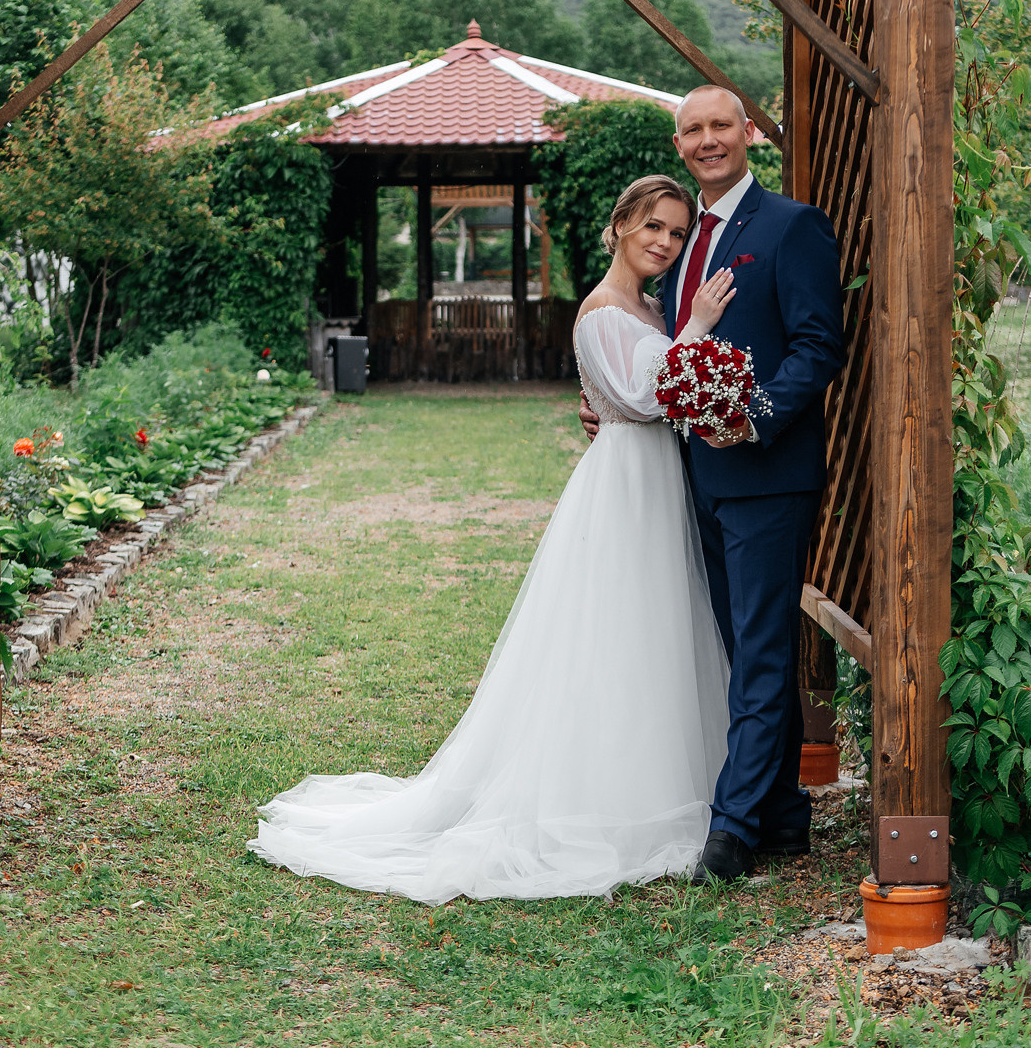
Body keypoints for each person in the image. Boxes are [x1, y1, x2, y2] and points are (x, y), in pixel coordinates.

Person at [248, 176, 741, 904]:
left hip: (652, 475)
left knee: (649, 629)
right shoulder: (606, 310)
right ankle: (602, 799)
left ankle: (655, 775)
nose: (664, 242)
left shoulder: (646, 306)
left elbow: (629, 393)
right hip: (624, 484)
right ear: (619, 228)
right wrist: (697, 329)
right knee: (613, 631)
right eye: (652, 228)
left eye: (675, 231)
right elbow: (644, 396)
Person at [582, 85, 844, 882]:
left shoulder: (791, 227)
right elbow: (655, 355)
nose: (707, 139)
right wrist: (613, 405)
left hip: (765, 472)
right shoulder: (683, 239)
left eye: (720, 125)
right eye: (692, 129)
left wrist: (754, 416)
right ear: (679, 144)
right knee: (735, 644)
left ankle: (731, 832)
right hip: (691, 474)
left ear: (749, 132)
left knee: (760, 646)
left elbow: (817, 347)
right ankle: (784, 814)